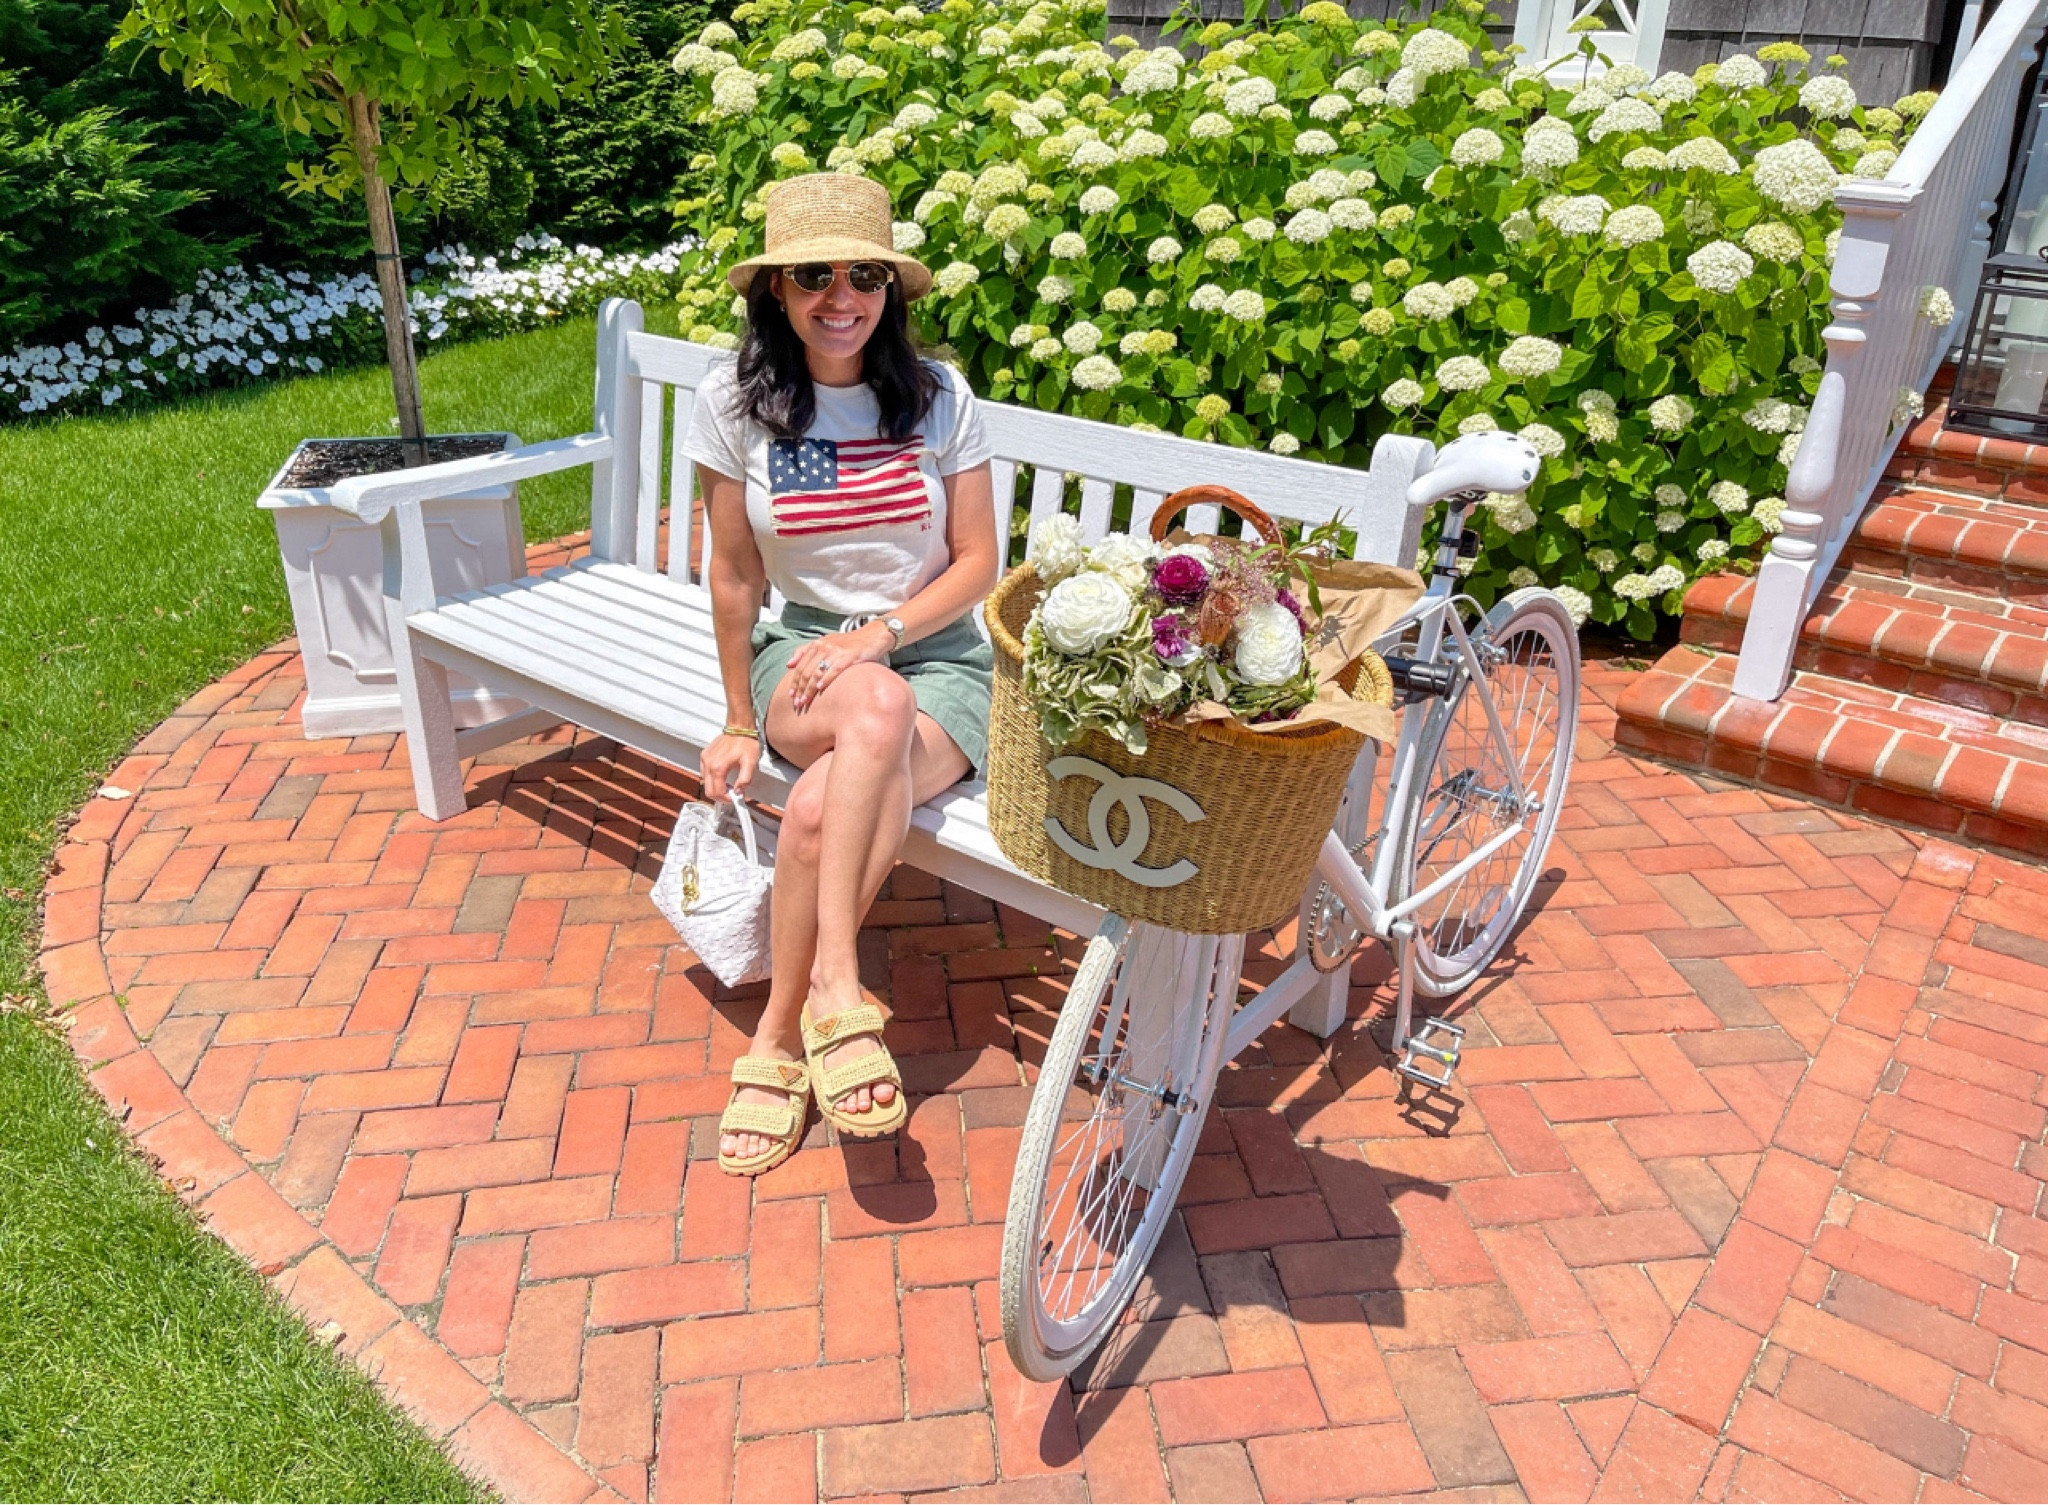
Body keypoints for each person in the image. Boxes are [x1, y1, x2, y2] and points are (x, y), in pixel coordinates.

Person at [679, 173, 999, 1177]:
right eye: (812, 274)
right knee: (871, 699)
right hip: (800, 652)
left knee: (820, 807)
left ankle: (784, 1028)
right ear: (774, 289)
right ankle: (834, 994)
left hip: (938, 659)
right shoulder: (734, 401)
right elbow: (732, 572)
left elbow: (978, 562)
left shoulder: (940, 398)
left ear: (888, 287)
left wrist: (883, 634)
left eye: (863, 274)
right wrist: (738, 716)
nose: (840, 296)